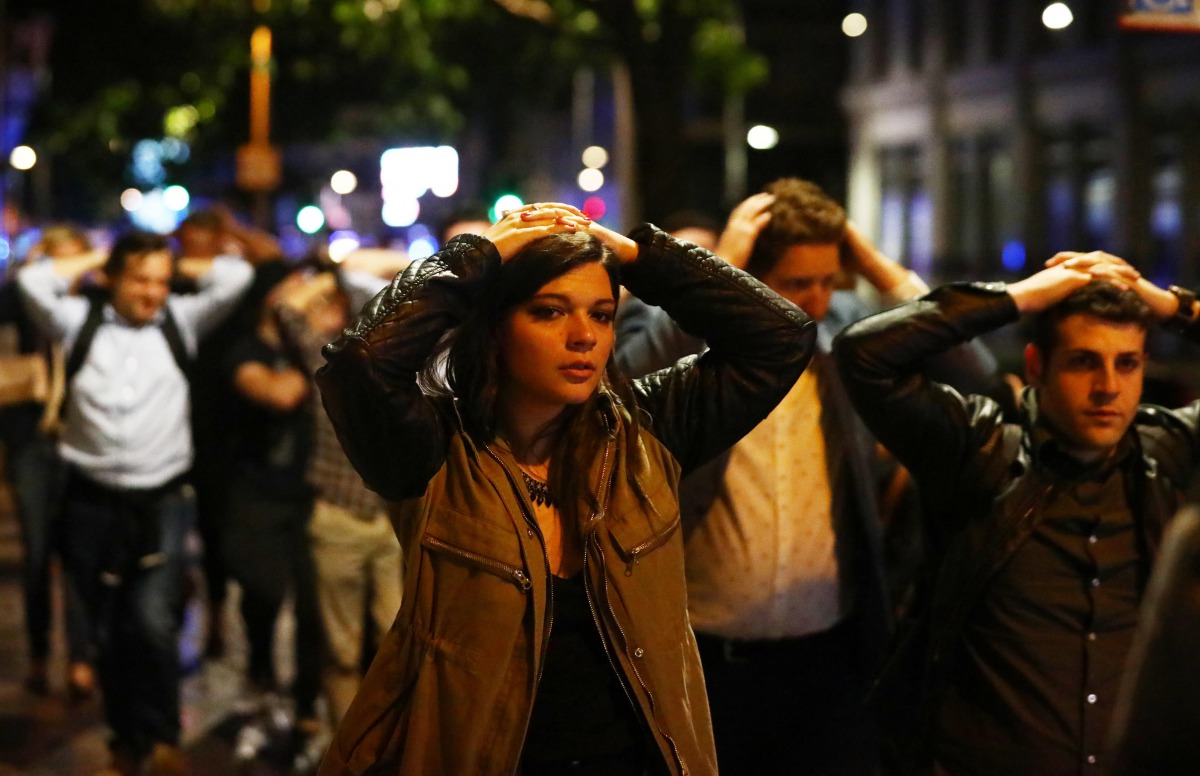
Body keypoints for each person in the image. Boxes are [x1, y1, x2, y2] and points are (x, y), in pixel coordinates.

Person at [313, 203, 815, 775]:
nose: (584, 338)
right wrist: (479, 255)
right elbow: (360, 363)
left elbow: (781, 336)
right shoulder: (436, 450)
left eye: (602, 315)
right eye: (549, 312)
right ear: (495, 327)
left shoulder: (644, 431)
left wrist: (633, 252)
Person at [615, 179, 996, 775]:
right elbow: (627, 386)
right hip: (702, 656)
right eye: (797, 284)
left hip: (832, 659)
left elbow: (976, 375)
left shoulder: (846, 339)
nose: (816, 302)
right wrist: (718, 268)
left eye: (828, 281)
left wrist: (871, 262)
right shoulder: (697, 348)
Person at [833, 250, 1199, 775]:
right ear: (1036, 367)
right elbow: (863, 355)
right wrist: (1018, 296)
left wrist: (1166, 304)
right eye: (1083, 361)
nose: (1108, 388)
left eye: (1127, 363)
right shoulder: (979, 450)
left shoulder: (1165, 453)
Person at [17, 229, 252, 776]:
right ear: (112, 280)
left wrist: (175, 266)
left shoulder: (181, 321)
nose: (153, 293)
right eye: (140, 280)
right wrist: (103, 256)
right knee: (106, 628)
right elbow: (31, 279)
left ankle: (164, 735)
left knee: (150, 620)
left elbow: (236, 275)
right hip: (90, 500)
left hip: (160, 500)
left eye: (161, 281)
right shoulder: (79, 322)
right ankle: (124, 741)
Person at [273, 266, 403, 731]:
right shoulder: (326, 364)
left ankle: (391, 747)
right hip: (337, 520)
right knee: (342, 651)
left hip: (389, 523)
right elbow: (288, 309)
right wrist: (330, 279)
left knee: (396, 641)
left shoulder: (401, 371)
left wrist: (340, 277)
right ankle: (347, 755)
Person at [222, 265, 323, 742]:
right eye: (293, 286)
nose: (306, 296)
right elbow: (280, 394)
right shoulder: (247, 351)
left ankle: (305, 701)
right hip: (257, 495)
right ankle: (260, 674)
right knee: (263, 594)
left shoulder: (315, 346)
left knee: (312, 605)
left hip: (307, 496)